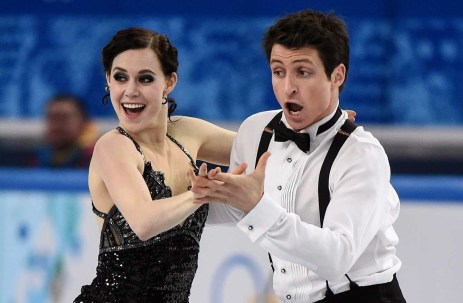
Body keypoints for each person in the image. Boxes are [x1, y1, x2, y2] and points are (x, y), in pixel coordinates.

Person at [190, 9, 406, 303]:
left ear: (337, 75)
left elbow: (336, 257)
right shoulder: (256, 131)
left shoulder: (362, 154)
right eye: (278, 71)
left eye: (302, 72)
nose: (288, 86)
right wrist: (199, 198)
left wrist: (255, 205)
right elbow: (239, 205)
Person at [73, 27, 235, 302]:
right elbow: (144, 222)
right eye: (120, 77)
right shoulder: (113, 147)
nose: (130, 91)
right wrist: (198, 194)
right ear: (108, 81)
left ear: (169, 82)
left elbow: (262, 146)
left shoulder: (188, 134)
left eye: (145, 78)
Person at [31, 94, 99, 168]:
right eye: (51, 118)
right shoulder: (35, 160)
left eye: (63, 118)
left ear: (84, 123)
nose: (56, 125)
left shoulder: (98, 159)